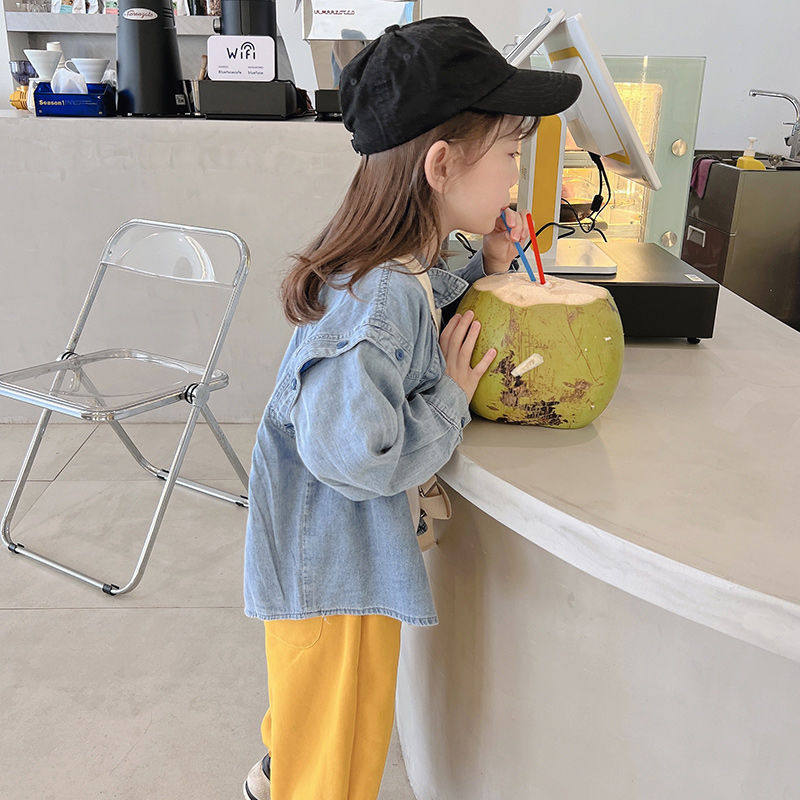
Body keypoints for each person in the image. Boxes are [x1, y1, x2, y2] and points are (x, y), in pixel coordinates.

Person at [242, 16, 581, 800]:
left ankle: (276, 773)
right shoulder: (381, 296)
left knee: (311, 714)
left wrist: (483, 269)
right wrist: (450, 403)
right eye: (511, 154)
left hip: (326, 562)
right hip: (338, 573)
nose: (516, 177)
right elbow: (356, 456)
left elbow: (412, 327)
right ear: (441, 164)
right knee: (340, 753)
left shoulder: (395, 270)